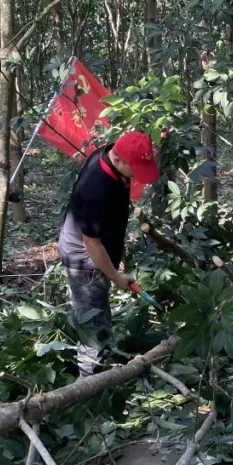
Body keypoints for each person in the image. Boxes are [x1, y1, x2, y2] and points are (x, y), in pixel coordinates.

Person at [58, 131, 160, 375]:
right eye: (134, 170)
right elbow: (91, 244)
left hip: (97, 248)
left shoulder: (108, 154)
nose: (136, 176)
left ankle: (92, 366)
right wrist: (115, 276)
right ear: (117, 160)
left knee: (94, 312)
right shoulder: (96, 190)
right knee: (95, 325)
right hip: (84, 259)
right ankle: (90, 382)